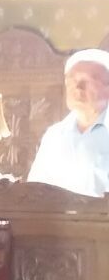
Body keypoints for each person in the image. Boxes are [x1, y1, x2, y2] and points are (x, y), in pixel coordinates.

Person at [26, 49, 109, 197]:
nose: (78, 88)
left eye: (88, 80)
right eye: (72, 81)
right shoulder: (54, 135)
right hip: (57, 212)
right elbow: (36, 190)